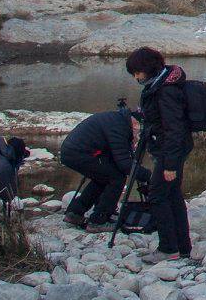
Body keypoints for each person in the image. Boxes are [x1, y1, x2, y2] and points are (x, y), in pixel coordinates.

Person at [127, 46, 193, 260]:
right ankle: (182, 247)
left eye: (138, 72)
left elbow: (174, 129)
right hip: (168, 149)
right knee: (173, 196)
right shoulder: (159, 85)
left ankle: (168, 248)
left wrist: (170, 165)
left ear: (148, 69)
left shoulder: (166, 90)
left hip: (170, 151)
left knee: (157, 195)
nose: (136, 77)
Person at [59, 104, 139, 231]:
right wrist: (147, 175)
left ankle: (75, 213)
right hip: (79, 153)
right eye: (138, 129)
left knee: (103, 177)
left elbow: (116, 157)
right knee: (117, 178)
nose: (138, 133)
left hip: (73, 151)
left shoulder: (118, 119)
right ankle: (98, 221)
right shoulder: (119, 126)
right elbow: (124, 164)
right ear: (135, 124)